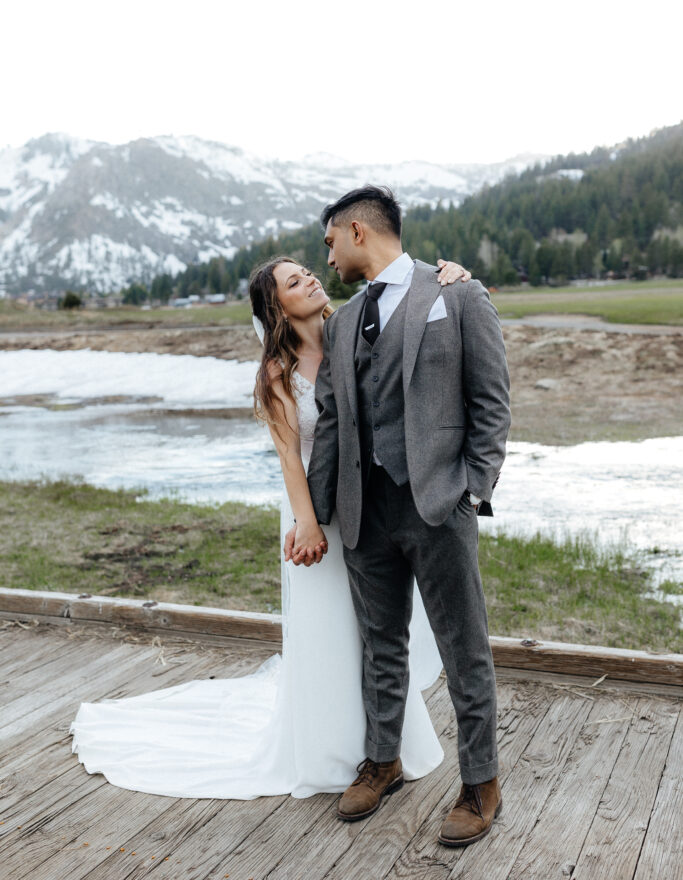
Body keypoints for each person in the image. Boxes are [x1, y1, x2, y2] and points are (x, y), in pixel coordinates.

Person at [69, 251, 470, 799]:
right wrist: (308, 524)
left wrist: (452, 275)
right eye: (292, 280)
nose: (309, 278)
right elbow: (289, 458)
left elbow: (409, 303)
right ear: (276, 305)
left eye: (307, 271)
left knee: (378, 636)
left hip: (367, 505)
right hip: (311, 509)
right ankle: (331, 751)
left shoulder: (355, 328)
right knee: (329, 633)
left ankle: (386, 748)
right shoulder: (277, 373)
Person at [294, 185, 511, 846]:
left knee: (462, 648)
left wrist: (473, 487)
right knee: (379, 645)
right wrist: (317, 511)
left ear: (358, 232)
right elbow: (329, 424)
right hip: (364, 513)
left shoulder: (456, 294)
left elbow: (490, 400)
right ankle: (382, 761)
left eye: (330, 241)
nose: (325, 256)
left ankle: (481, 783)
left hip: (437, 504)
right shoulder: (340, 322)